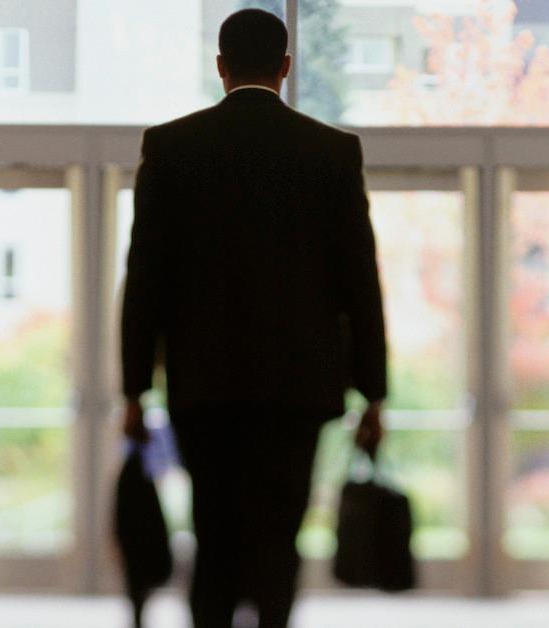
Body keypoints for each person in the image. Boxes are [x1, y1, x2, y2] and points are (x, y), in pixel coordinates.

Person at [119, 9, 388, 628]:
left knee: (214, 537)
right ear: (286, 68)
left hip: (203, 392)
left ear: (220, 67)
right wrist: (373, 394)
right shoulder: (332, 152)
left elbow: (145, 284)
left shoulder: (170, 149)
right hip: (298, 395)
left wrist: (133, 389)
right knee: (278, 542)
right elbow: (360, 283)